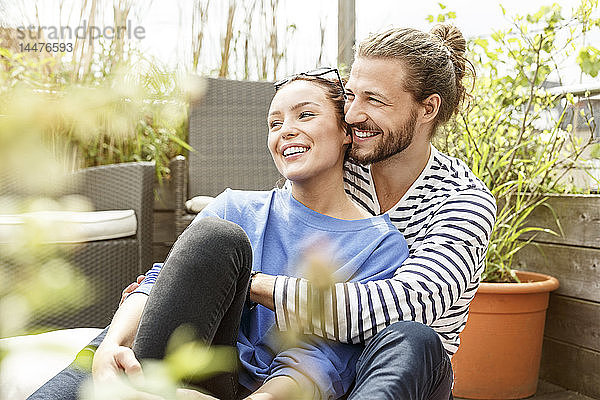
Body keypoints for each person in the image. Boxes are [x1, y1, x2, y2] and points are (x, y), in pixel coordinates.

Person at [129, 23, 497, 399]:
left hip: (399, 375)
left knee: (410, 337)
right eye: (351, 96)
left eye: (374, 100)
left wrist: (247, 283)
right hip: (310, 370)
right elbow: (274, 222)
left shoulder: (463, 202)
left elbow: (401, 306)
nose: (352, 115)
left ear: (427, 109)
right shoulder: (345, 161)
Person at [29, 70, 410, 400]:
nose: (286, 130)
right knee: (213, 240)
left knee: (217, 238)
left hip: (254, 391)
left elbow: (321, 360)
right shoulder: (237, 207)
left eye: (305, 115)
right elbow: (163, 281)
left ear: (346, 131)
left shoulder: (379, 245)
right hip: (174, 362)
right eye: (274, 124)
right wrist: (112, 344)